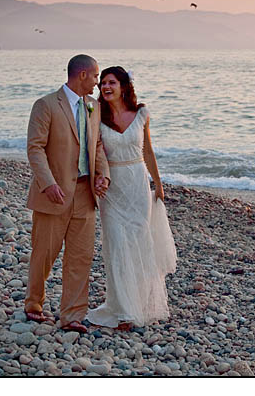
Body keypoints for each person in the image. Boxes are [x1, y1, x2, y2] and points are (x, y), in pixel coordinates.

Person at [24, 54, 111, 333]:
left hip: (86, 195)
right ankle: (33, 305)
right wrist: (47, 183)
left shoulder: (93, 107)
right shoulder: (46, 105)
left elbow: (97, 145)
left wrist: (104, 174)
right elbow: (35, 148)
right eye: (96, 76)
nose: (98, 82)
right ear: (82, 75)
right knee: (45, 253)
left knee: (81, 256)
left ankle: (72, 315)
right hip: (54, 193)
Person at [86, 66, 177, 330]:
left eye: (111, 82)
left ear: (124, 86)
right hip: (112, 188)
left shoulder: (141, 114)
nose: (105, 86)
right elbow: (93, 153)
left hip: (138, 185)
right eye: (102, 82)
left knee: (140, 242)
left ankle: (141, 303)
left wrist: (158, 184)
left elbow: (148, 151)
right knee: (116, 244)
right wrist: (96, 179)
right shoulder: (97, 116)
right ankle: (123, 309)